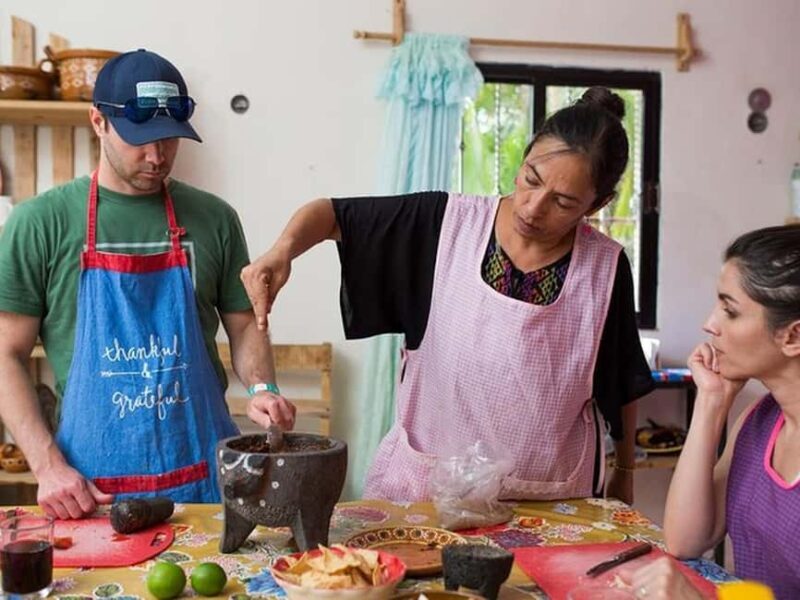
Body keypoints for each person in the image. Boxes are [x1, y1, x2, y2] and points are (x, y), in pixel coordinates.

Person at [241, 87, 653, 503]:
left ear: (598, 203)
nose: (533, 208)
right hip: (427, 493)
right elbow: (331, 214)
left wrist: (625, 469)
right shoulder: (444, 224)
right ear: (525, 157)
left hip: (547, 499)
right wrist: (281, 252)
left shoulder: (605, 267)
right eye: (531, 179)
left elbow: (620, 380)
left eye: (563, 202)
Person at [0, 49, 295, 518]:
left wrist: (263, 390)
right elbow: (6, 354)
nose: (158, 157)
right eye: (140, 139)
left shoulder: (215, 218)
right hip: (89, 491)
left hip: (203, 481)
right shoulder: (41, 223)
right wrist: (47, 465)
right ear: (98, 122)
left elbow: (243, 326)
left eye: (169, 139)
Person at [633, 225, 799, 600]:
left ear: (793, 336)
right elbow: (686, 540)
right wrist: (712, 401)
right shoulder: (760, 421)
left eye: (730, 311)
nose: (710, 324)